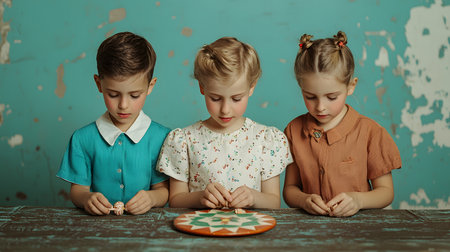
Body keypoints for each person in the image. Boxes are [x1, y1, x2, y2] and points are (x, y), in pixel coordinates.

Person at [158, 37, 292, 209]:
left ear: (251, 87)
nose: (225, 110)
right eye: (215, 98)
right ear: (202, 88)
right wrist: (200, 197)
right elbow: (175, 200)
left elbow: (274, 202)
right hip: (200, 231)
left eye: (236, 98)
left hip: (250, 231)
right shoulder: (184, 140)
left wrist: (253, 197)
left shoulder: (266, 139)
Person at [283, 31, 401, 217]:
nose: (320, 107)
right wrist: (303, 200)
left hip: (359, 230)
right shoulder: (293, 131)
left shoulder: (370, 132)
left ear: (351, 86)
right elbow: (290, 189)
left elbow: (386, 192)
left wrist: (358, 200)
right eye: (310, 97)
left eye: (332, 97)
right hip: (309, 231)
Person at [57, 32, 170, 215]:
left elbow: (164, 191)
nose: (123, 105)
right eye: (113, 94)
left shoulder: (162, 138)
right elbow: (78, 192)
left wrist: (151, 199)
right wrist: (87, 199)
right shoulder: (82, 139)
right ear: (99, 83)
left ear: (150, 86)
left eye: (134, 95)